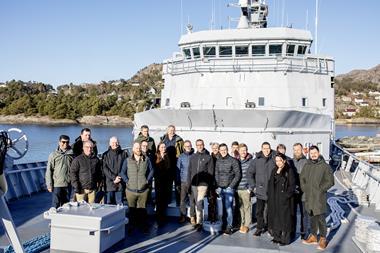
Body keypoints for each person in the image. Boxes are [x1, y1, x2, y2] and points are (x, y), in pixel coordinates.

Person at [300, 145, 334, 250]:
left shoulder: (325, 166)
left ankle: (323, 238)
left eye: (315, 153)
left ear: (318, 153)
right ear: (309, 155)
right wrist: (305, 189)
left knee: (320, 218)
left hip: (319, 196)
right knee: (311, 217)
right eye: (311, 153)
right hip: (309, 196)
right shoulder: (307, 165)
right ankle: (314, 236)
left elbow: (330, 181)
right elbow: (302, 178)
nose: (313, 155)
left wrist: (321, 189)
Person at [121, 142, 154, 233]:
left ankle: (143, 226)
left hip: (143, 190)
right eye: (136, 148)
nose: (138, 149)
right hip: (130, 190)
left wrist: (148, 180)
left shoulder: (146, 159)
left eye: (139, 148)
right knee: (132, 210)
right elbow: (122, 172)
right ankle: (131, 226)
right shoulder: (127, 160)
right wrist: (127, 181)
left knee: (142, 210)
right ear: (133, 149)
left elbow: (151, 171)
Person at [247, 142, 276, 236]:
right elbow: (249, 173)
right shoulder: (256, 160)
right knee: (259, 211)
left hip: (272, 190)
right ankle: (259, 228)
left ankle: (270, 227)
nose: (266, 150)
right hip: (260, 189)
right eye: (264, 148)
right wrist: (253, 186)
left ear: (270, 148)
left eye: (268, 148)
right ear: (261, 148)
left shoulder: (274, 158)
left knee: (271, 211)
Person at [267, 153, 296, 246]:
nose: (278, 162)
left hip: (284, 199)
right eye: (276, 161)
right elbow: (271, 183)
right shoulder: (274, 170)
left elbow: (292, 186)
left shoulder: (289, 170)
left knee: (285, 219)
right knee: (276, 218)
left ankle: (285, 239)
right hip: (275, 198)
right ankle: (277, 237)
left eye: (280, 160)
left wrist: (286, 196)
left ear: (284, 160)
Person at [187, 139, 214, 231]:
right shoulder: (193, 157)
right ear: (196, 146)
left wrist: (208, 184)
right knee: (196, 202)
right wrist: (188, 184)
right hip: (194, 183)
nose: (199, 146)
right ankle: (198, 220)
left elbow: (211, 172)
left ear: (203, 145)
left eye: (201, 145)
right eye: (198, 145)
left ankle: (199, 222)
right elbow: (189, 171)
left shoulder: (208, 157)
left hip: (203, 184)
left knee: (199, 202)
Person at [215, 143, 241, 235]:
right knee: (222, 208)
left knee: (229, 208)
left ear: (227, 149)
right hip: (220, 188)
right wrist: (218, 185)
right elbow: (216, 174)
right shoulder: (218, 161)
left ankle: (229, 227)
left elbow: (238, 175)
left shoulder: (233, 161)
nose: (223, 151)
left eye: (224, 149)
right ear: (219, 151)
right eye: (221, 150)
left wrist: (231, 186)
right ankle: (224, 224)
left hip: (229, 188)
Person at [45, 135, 74, 208]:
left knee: (66, 206)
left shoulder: (72, 154)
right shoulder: (53, 155)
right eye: (63, 142)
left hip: (68, 184)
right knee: (56, 205)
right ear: (59, 142)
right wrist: (49, 185)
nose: (65, 144)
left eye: (67, 142)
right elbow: (49, 170)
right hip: (57, 184)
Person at [160, 125, 184, 206]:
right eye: (170, 130)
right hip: (167, 165)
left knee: (178, 184)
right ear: (167, 130)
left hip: (176, 165)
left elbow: (182, 152)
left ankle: (179, 202)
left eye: (173, 130)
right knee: (168, 185)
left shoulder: (179, 140)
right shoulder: (163, 139)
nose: (171, 131)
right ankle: (168, 201)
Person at [102, 136, 128, 205]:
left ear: (118, 143)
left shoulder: (124, 154)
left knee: (119, 204)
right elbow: (105, 168)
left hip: (120, 183)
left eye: (116, 142)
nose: (115, 144)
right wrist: (114, 178)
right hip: (109, 184)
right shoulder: (105, 154)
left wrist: (119, 177)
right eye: (113, 142)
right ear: (109, 143)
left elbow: (125, 167)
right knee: (109, 205)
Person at [292, 143, 309, 240]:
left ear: (302, 150)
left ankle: (304, 232)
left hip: (304, 193)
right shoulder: (290, 161)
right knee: (293, 213)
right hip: (294, 193)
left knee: (304, 214)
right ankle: (293, 231)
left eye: (298, 150)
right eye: (295, 150)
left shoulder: (306, 162)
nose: (296, 152)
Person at [176, 140, 196, 224]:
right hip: (183, 181)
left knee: (192, 200)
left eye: (189, 146)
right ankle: (183, 216)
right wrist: (178, 182)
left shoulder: (195, 156)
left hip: (193, 182)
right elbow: (178, 169)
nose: (188, 147)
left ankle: (192, 217)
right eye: (186, 146)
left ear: (191, 146)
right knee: (182, 200)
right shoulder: (181, 157)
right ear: (184, 147)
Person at [236, 143, 253, 234]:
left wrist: (250, 188)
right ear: (238, 151)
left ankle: (246, 225)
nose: (244, 152)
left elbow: (254, 175)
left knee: (247, 207)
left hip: (246, 189)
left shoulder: (251, 161)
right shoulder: (236, 161)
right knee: (240, 208)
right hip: (237, 188)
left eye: (245, 150)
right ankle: (241, 223)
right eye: (242, 150)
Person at [154, 142, 172, 225]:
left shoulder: (167, 156)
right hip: (158, 182)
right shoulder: (155, 156)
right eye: (162, 147)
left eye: (164, 147)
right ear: (158, 148)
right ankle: (158, 218)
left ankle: (163, 217)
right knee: (159, 200)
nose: (163, 148)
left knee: (164, 200)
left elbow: (169, 169)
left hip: (166, 182)